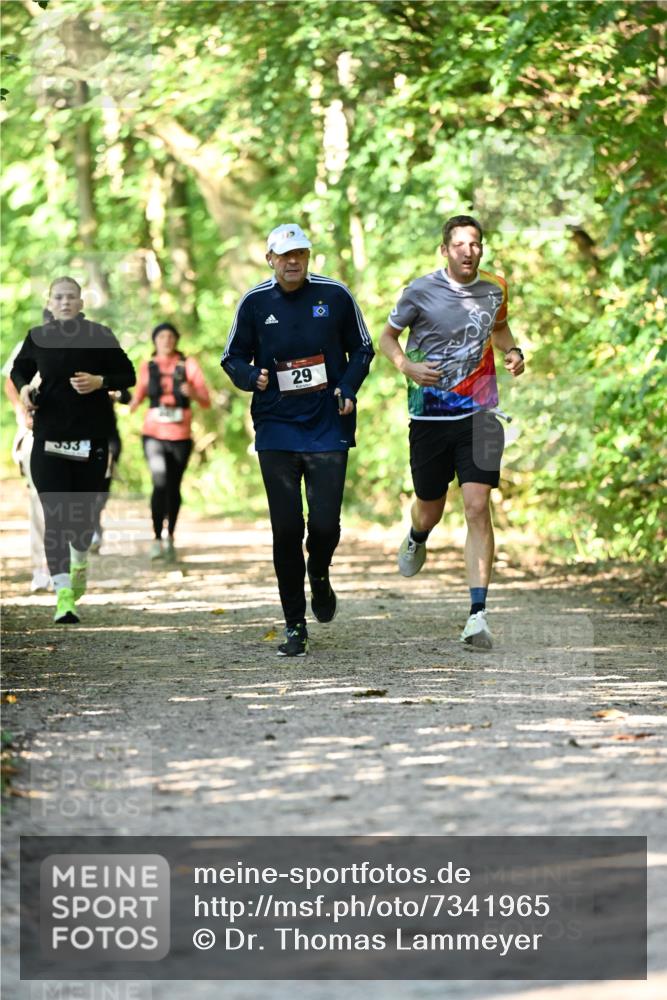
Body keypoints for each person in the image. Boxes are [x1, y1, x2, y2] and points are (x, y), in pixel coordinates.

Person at [221, 223, 374, 657]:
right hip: (276, 426)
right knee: (286, 528)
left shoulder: (335, 295)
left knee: (324, 526)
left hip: (328, 423)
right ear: (270, 259)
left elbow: (363, 348)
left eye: (300, 254)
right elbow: (230, 357)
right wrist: (252, 376)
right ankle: (294, 626)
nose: (293, 262)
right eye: (285, 255)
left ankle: (320, 572)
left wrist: (348, 385)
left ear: (309, 257)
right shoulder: (254, 302)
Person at [379, 215, 525, 650]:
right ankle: (416, 535)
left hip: (480, 413)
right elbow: (388, 337)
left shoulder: (495, 288)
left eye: (475, 243)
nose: (468, 250)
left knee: (478, 507)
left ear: (481, 249)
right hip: (429, 417)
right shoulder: (420, 290)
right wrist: (406, 365)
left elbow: (498, 329)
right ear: (445, 250)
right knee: (431, 507)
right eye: (459, 244)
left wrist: (513, 351)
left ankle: (477, 614)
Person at [10, 276, 136, 623]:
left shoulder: (100, 335)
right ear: (50, 303)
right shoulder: (38, 337)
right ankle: (63, 596)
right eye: (59, 297)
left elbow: (128, 375)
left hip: (90, 440)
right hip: (49, 439)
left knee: (81, 522)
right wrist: (23, 391)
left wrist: (101, 381)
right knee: (55, 518)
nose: (65, 302)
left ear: (81, 303)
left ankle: (80, 562)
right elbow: (20, 370)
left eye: (71, 297)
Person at [129, 322, 211, 562]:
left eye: (170, 336)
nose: (166, 340)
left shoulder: (189, 365)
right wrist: (117, 400)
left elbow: (206, 400)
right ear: (155, 341)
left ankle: (170, 537)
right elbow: (137, 397)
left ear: (176, 340)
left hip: (181, 436)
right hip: (153, 433)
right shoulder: (148, 366)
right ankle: (156, 538)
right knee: (159, 481)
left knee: (173, 485)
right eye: (161, 336)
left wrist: (191, 392)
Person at [3, 351, 51, 592]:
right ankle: (41, 568)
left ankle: (63, 565)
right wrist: (21, 412)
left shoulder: (83, 343)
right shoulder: (30, 346)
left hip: (70, 436)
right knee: (39, 500)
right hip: (35, 436)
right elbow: (11, 380)